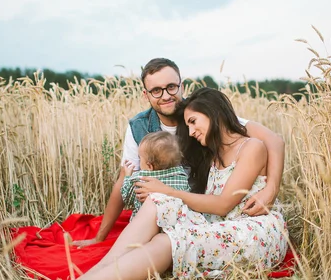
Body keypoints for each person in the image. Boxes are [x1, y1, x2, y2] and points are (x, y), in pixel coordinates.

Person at [21, 88, 289, 280]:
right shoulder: (213, 152)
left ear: (214, 112)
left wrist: (271, 188)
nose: (192, 131)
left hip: (251, 230)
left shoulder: (251, 146)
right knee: (156, 201)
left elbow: (220, 205)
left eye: (194, 122)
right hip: (220, 224)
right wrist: (160, 194)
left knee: (167, 239)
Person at [73, 58, 285, 247]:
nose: (166, 95)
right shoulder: (138, 127)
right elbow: (123, 178)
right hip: (162, 210)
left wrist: (271, 189)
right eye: (156, 90)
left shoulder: (201, 113)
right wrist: (99, 237)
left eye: (171, 87)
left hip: (201, 210)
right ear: (145, 95)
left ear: (181, 86)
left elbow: (274, 141)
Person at [121, 131, 190, 217]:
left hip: (145, 224)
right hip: (175, 225)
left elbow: (127, 197)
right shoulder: (181, 176)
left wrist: (127, 176)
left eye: (140, 158)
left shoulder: (140, 179)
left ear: (149, 166)